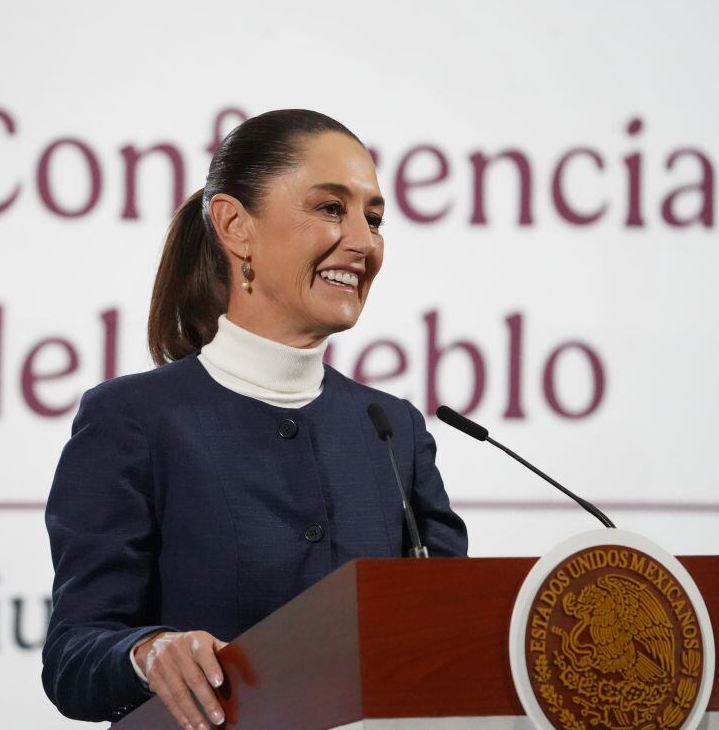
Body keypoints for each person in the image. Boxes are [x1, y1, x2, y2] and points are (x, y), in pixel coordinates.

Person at [40, 109, 468, 727]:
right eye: (330, 209)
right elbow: (74, 655)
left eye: (373, 219)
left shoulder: (393, 430)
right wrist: (149, 651)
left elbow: (457, 639)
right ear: (235, 226)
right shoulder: (134, 419)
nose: (364, 241)